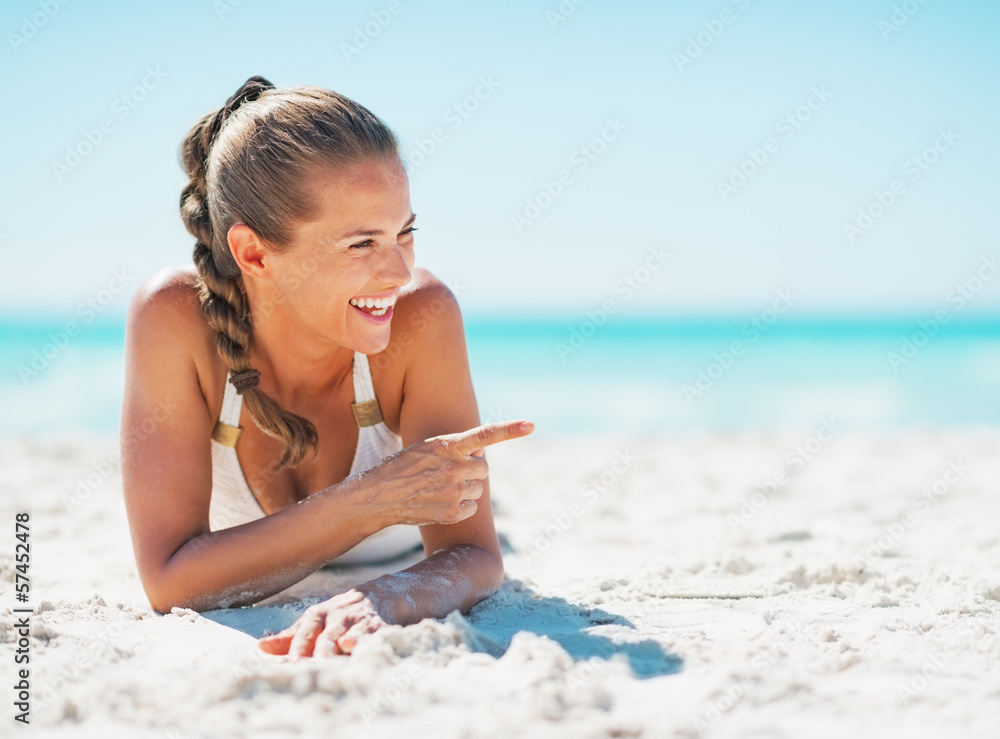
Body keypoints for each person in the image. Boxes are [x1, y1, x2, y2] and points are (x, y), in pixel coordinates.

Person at [120, 75, 534, 659]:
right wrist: (374, 499)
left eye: (405, 233)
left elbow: (475, 555)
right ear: (254, 253)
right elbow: (168, 581)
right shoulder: (175, 319)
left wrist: (393, 595)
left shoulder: (423, 316)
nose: (397, 272)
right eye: (362, 243)